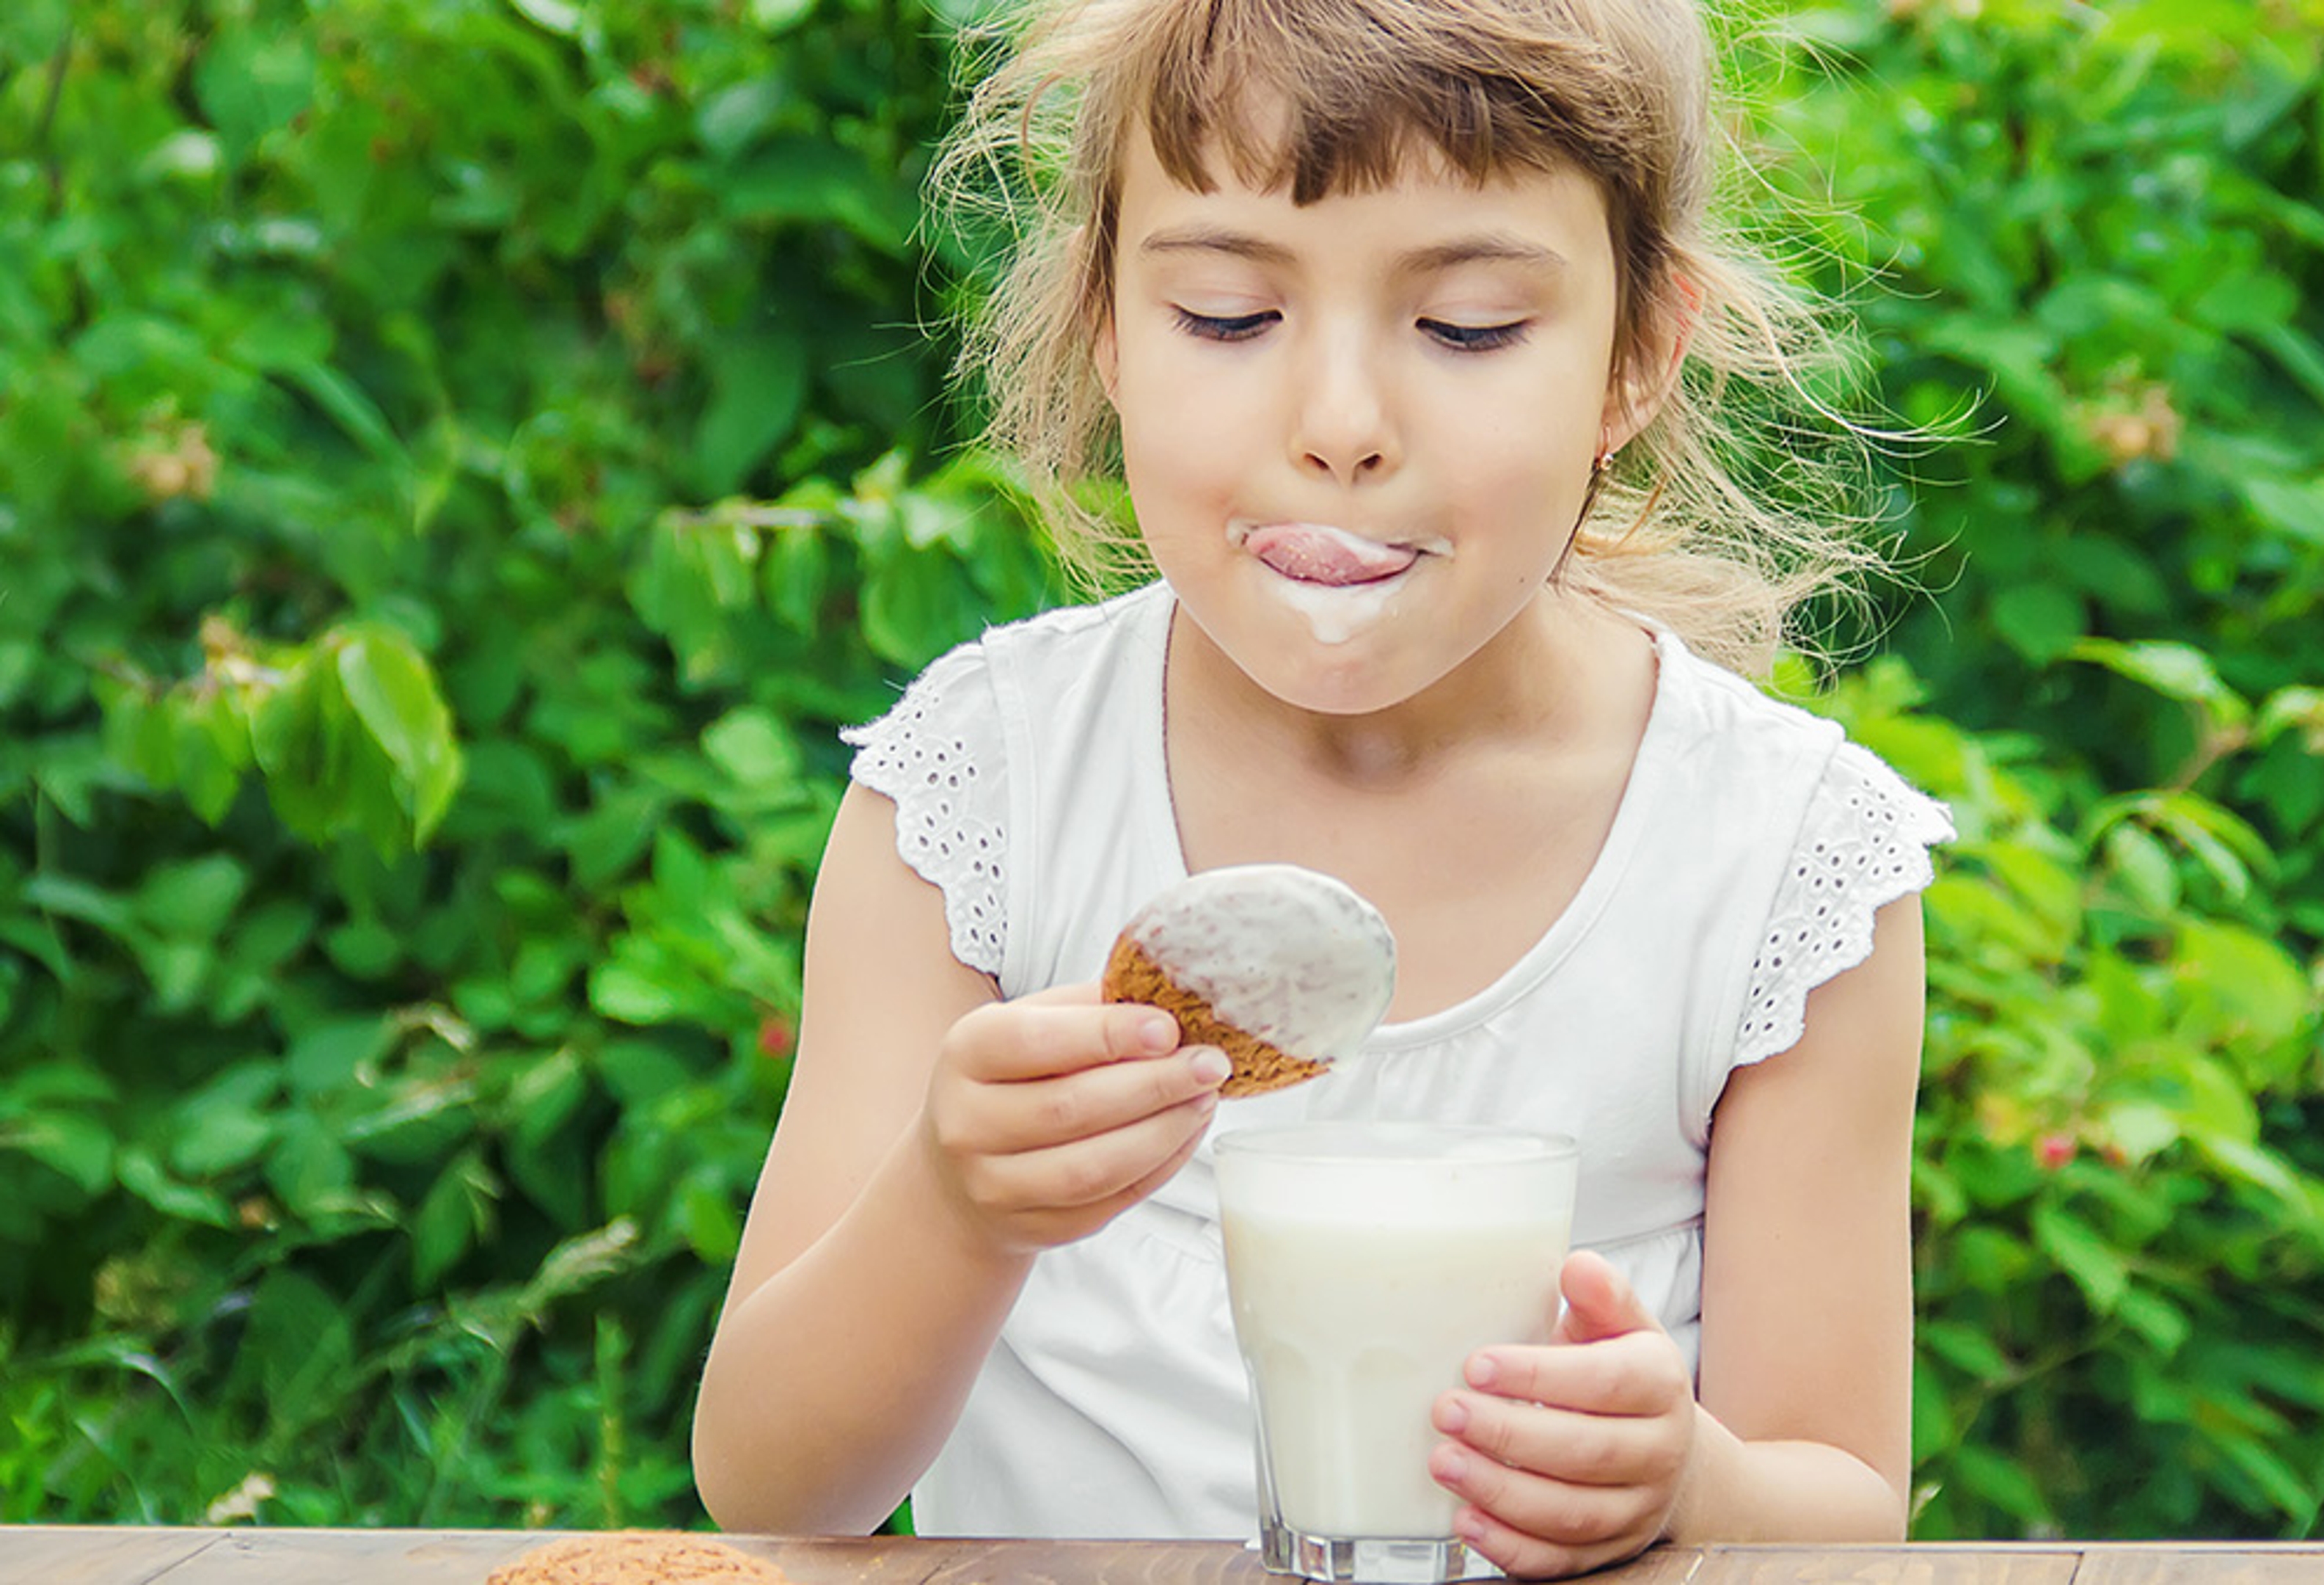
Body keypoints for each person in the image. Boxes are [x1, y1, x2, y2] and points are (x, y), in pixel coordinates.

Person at [691, 0, 1954, 1574]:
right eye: (1228, 315)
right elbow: (770, 1489)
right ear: (1105, 325)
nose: (1340, 428)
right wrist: (957, 1209)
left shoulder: (1775, 860)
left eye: (1470, 327)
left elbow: (1844, 1509)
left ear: (1635, 354)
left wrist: (1695, 1490)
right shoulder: (991, 791)